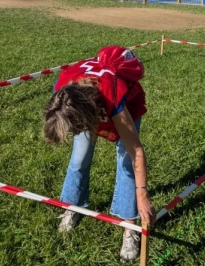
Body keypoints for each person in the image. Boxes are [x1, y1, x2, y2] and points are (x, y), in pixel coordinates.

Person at [43, 45, 156, 261]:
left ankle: (129, 226)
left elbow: (136, 152)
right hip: (87, 107)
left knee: (126, 166)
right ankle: (72, 206)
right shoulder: (63, 90)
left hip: (125, 106)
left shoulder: (113, 97)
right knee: (78, 158)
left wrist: (142, 195)